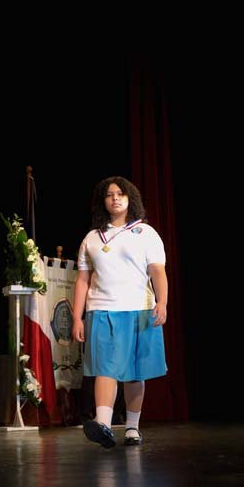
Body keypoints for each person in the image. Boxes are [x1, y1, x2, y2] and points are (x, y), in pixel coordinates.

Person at [72, 175, 168, 448]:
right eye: (109, 195)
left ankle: (132, 428)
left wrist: (162, 302)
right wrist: (77, 317)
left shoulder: (146, 233)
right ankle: (103, 424)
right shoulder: (92, 238)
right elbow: (82, 280)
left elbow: (157, 271)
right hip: (102, 309)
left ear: (130, 198)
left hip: (138, 310)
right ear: (102, 201)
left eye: (120, 194)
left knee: (135, 371)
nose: (115, 198)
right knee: (105, 366)